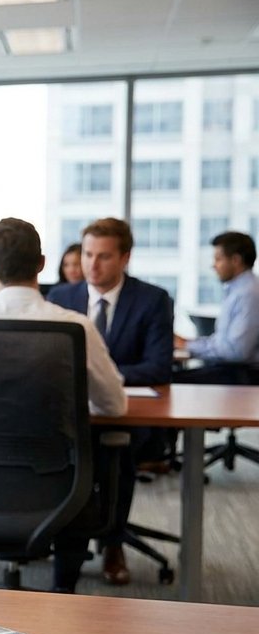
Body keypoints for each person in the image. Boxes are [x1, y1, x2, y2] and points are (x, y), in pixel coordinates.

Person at [0, 217, 126, 592]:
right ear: (42, 263)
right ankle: (63, 591)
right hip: (60, 489)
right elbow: (114, 405)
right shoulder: (75, 327)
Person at [47, 218, 173, 585]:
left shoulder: (152, 299)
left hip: (127, 413)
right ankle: (58, 536)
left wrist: (101, 374)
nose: (92, 264)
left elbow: (158, 367)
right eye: (87, 254)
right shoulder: (61, 297)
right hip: (69, 414)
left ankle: (113, 542)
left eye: (103, 256)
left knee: (118, 455)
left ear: (125, 258)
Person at [175, 231, 259, 383]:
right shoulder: (239, 290)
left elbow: (236, 351)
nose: (213, 265)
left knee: (169, 380)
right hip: (232, 371)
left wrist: (189, 346)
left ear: (235, 260)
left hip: (241, 375)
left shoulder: (248, 293)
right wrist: (188, 343)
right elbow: (223, 343)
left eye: (218, 259)